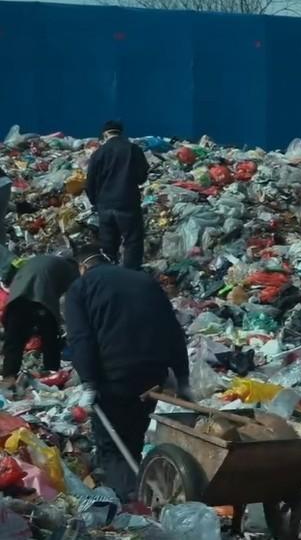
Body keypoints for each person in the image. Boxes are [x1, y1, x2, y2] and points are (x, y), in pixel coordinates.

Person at [65, 249, 190, 502]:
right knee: (133, 437)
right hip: (153, 374)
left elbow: (81, 338)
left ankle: (129, 503)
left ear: (82, 268)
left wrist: (88, 382)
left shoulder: (80, 289)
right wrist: (182, 378)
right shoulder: (143, 280)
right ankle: (143, 490)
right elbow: (173, 330)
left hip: (114, 377)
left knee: (111, 446)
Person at [2, 253, 79, 386]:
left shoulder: (41, 259)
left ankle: (9, 377)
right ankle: (52, 371)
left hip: (17, 296)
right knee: (50, 336)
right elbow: (74, 296)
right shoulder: (69, 269)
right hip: (41, 297)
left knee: (14, 338)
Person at [85, 121, 150, 269]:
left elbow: (90, 182)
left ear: (105, 134)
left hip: (105, 205)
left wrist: (95, 202)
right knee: (132, 241)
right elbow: (141, 177)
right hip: (127, 203)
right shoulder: (133, 149)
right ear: (120, 132)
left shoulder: (98, 153)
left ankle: (109, 273)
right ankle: (130, 275)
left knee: (108, 244)